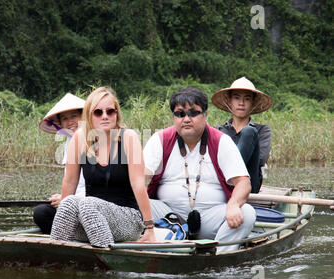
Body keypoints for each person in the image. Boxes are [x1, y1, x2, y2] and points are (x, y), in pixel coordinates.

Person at [143, 87, 256, 253]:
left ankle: (218, 259)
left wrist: (233, 204)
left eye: (193, 113)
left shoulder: (221, 141)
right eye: (180, 114)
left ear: (205, 115)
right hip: (167, 218)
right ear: (174, 117)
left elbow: (243, 183)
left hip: (209, 219)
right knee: (132, 204)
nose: (186, 119)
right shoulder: (160, 140)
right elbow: (138, 178)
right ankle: (152, 246)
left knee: (246, 213)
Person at [50, 87, 155, 247]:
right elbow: (70, 182)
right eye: (98, 112)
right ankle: (55, 256)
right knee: (69, 202)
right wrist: (65, 215)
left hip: (127, 219)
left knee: (87, 203)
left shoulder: (128, 138)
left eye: (110, 112)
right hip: (89, 218)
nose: (105, 116)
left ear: (116, 114)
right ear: (89, 116)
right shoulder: (80, 138)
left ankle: (106, 263)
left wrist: (149, 228)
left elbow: (138, 185)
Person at [34, 93, 86, 234]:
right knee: (41, 213)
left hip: (90, 203)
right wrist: (63, 197)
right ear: (60, 124)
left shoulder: (95, 140)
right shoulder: (70, 142)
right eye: (64, 118)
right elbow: (71, 181)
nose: (70, 122)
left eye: (74, 116)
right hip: (74, 202)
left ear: (84, 117)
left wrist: (67, 200)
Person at [212, 77, 273, 193]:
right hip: (222, 181)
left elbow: (261, 159)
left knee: (249, 132)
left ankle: (230, 184)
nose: (241, 103)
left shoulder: (262, 130)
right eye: (236, 98)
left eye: (247, 99)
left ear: (253, 103)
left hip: (249, 183)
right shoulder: (218, 130)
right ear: (229, 101)